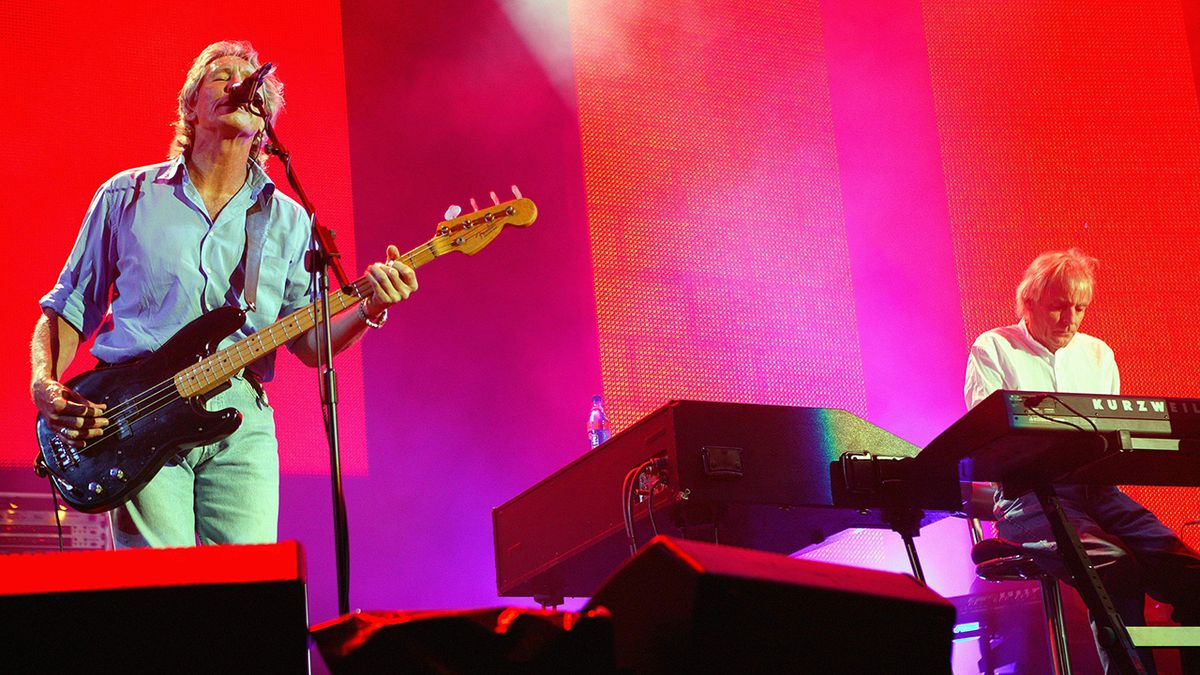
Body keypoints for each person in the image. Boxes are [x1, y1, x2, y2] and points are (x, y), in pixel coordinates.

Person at [29, 40, 417, 548]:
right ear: (190, 106)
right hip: (136, 409)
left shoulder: (288, 218)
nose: (237, 82)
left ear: (264, 120)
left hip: (241, 413)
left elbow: (308, 342)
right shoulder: (127, 195)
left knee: (247, 595)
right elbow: (68, 306)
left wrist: (370, 308)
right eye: (221, 75)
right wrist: (44, 382)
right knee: (158, 590)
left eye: (248, 76)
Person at [965, 248, 1200, 673]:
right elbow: (989, 442)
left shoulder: (1098, 354)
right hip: (1028, 497)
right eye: (1058, 307)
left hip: (1098, 492)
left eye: (1079, 308)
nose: (1070, 319)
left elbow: (1113, 439)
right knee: (1113, 564)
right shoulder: (994, 347)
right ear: (1029, 301)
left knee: (1187, 568)